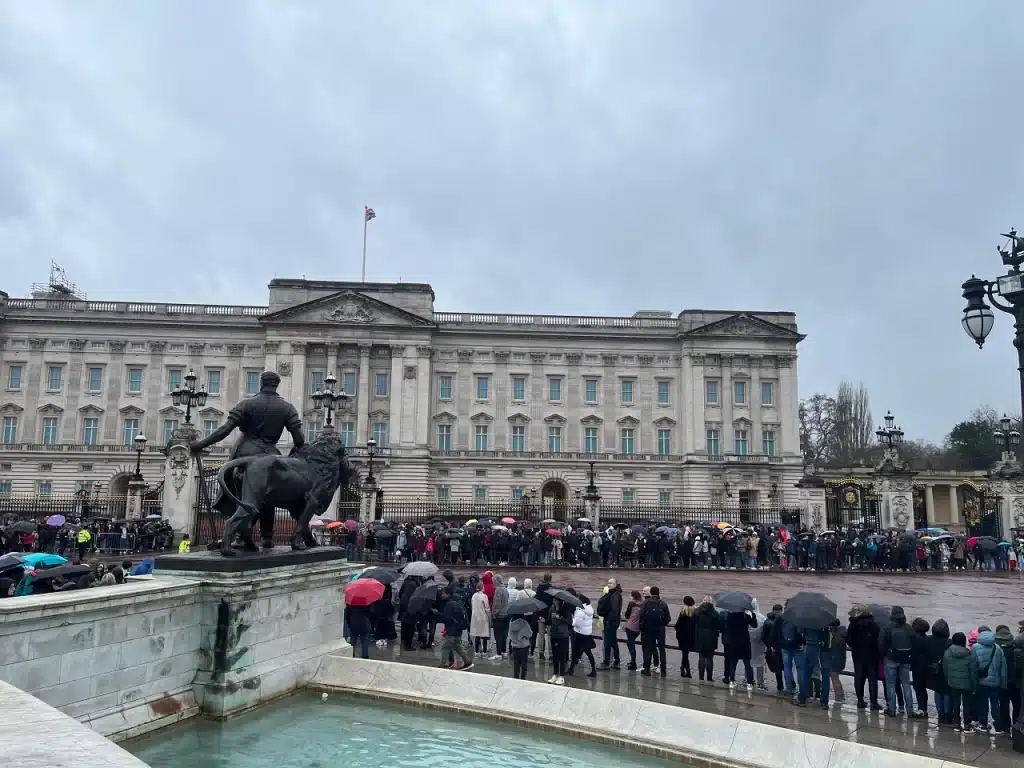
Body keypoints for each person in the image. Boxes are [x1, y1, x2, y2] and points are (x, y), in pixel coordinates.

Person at [189, 370, 305, 550]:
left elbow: (225, 430)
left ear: (261, 383)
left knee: (242, 497)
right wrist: (292, 454)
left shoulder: (247, 404)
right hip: (270, 454)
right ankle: (267, 537)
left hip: (245, 452)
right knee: (269, 497)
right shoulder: (287, 408)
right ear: (277, 385)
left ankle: (242, 536)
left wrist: (201, 444)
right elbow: (299, 439)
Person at [879, 605, 918, 718]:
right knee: (906, 685)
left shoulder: (887, 627)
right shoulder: (909, 628)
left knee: (890, 685)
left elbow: (881, 644)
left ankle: (892, 709)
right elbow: (914, 643)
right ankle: (910, 711)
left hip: (891, 659)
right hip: (905, 660)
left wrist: (883, 655)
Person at [971, 627, 1008, 734]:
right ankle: (998, 727)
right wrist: (1003, 683)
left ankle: (983, 725)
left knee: (983, 704)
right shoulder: (998, 648)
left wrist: (973, 683)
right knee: (995, 704)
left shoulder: (975, 647)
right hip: (995, 683)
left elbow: (973, 667)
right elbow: (1003, 668)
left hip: (982, 682)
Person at [847, 604, 881, 710]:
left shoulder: (853, 625)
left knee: (859, 678)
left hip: (857, 655)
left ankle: (860, 701)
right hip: (872, 655)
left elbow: (849, 640)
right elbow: (879, 640)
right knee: (872, 680)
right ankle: (873, 703)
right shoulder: (874, 625)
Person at [943, 631, 979, 732]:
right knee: (967, 704)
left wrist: (948, 679)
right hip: (967, 684)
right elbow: (973, 672)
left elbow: (945, 669)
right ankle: (967, 724)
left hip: (953, 682)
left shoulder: (947, 653)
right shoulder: (970, 654)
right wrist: (974, 686)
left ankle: (956, 723)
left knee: (955, 702)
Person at [923, 619, 953, 725]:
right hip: (946, 671)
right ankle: (947, 714)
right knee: (947, 692)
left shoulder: (928, 640)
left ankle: (940, 713)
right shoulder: (949, 642)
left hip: (933, 670)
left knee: (938, 691)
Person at [438, 588, 474, 671]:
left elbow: (447, 618)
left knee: (446, 647)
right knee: (458, 646)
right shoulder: (458, 602)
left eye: (443, 594)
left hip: (452, 630)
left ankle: (442, 665)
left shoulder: (449, 604)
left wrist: (438, 614)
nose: (441, 595)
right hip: (458, 629)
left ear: (448, 594)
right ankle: (467, 661)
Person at [722, 608, 757, 691]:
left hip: (733, 643)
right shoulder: (746, 617)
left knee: (733, 664)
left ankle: (732, 681)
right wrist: (753, 615)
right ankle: (749, 683)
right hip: (745, 643)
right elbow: (755, 625)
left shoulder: (729, 617)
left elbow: (726, 628)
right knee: (748, 665)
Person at [640, 586, 670, 677]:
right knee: (662, 649)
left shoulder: (646, 603)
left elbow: (641, 616)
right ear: (658, 593)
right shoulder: (663, 604)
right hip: (660, 629)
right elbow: (668, 618)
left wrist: (644, 626)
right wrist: (662, 624)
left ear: (651, 593)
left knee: (648, 648)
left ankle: (647, 669)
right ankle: (663, 671)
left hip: (649, 629)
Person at [568, 594, 597, 678]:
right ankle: (593, 670)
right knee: (589, 653)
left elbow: (577, 624)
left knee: (575, 652)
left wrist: (572, 620)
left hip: (580, 634)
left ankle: (571, 669)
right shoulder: (589, 608)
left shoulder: (580, 611)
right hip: (587, 634)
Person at [597, 577, 623, 670]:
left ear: (616, 584)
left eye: (611, 583)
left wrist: (609, 622)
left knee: (608, 642)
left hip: (610, 622)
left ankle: (606, 662)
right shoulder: (613, 594)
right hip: (611, 621)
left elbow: (614, 610)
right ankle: (617, 661)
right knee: (613, 642)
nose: (609, 585)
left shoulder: (615, 595)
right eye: (608, 583)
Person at [694, 596, 720, 683]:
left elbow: (694, 622)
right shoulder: (715, 613)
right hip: (711, 637)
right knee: (709, 658)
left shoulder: (697, 611)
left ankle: (701, 677)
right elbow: (718, 626)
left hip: (700, 636)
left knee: (701, 657)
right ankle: (709, 677)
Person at [548, 598, 572, 685]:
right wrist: (545, 621)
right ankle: (555, 674)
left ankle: (561, 676)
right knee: (555, 656)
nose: (553, 601)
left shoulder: (565, 609)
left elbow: (570, 621)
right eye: (553, 600)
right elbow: (549, 620)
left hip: (563, 635)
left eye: (555, 600)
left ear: (559, 601)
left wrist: (560, 617)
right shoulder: (551, 608)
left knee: (562, 656)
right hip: (554, 634)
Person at [909, 617, 931, 716]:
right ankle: (924, 708)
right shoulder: (927, 639)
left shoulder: (915, 640)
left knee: (918, 688)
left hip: (917, 666)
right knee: (922, 689)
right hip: (925, 666)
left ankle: (921, 709)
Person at [674, 596, 697, 678]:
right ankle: (685, 670)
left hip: (683, 637)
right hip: (692, 636)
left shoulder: (683, 612)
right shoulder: (696, 611)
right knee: (685, 654)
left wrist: (678, 636)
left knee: (685, 654)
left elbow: (677, 626)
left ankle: (686, 670)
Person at [490, 575, 509, 662]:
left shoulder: (498, 590)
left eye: (493, 581)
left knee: (498, 635)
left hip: (499, 616)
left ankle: (498, 654)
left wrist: (494, 614)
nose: (493, 583)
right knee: (504, 635)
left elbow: (497, 604)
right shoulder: (505, 589)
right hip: (505, 615)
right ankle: (504, 651)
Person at [623, 589, 643, 671]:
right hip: (638, 628)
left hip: (630, 627)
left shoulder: (631, 604)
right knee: (631, 642)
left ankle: (633, 663)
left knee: (630, 644)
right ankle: (632, 661)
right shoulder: (643, 604)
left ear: (633, 596)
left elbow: (627, 615)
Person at [508, 612, 532, 679]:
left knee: (516, 665)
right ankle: (523, 679)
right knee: (524, 665)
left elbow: (509, 635)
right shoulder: (524, 622)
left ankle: (516, 679)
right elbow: (529, 634)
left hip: (515, 646)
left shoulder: (511, 622)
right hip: (523, 647)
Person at [470, 582, 491, 654]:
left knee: (477, 635)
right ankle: (484, 651)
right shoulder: (484, 596)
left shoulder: (473, 596)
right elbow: (487, 608)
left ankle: (476, 651)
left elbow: (472, 606)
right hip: (483, 617)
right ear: (482, 587)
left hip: (475, 617)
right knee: (484, 635)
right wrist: (489, 617)